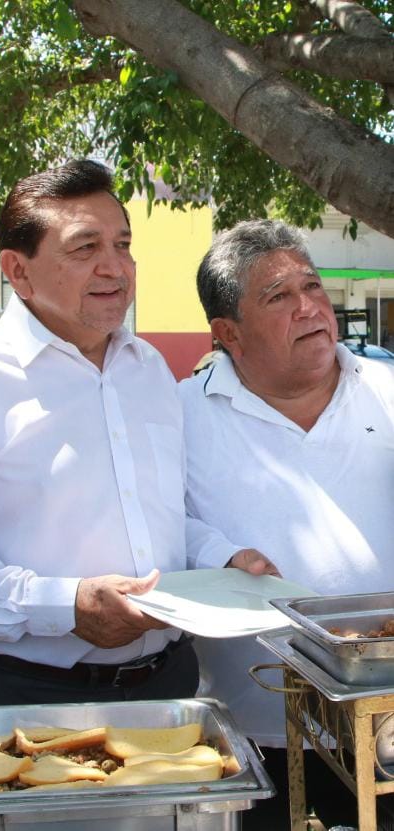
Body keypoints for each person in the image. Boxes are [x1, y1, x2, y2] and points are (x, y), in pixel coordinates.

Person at [0, 159, 198, 706]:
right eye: (85, 248)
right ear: (18, 271)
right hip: (25, 694)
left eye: (123, 245)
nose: (115, 268)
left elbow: (166, 520)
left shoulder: (150, 369)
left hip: (169, 683)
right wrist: (66, 607)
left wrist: (226, 558)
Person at [179, 218, 394, 829]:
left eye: (312, 286)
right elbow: (153, 525)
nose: (308, 307)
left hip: (388, 729)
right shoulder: (177, 414)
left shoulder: (388, 390)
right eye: (278, 296)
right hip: (254, 737)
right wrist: (215, 554)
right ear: (228, 332)